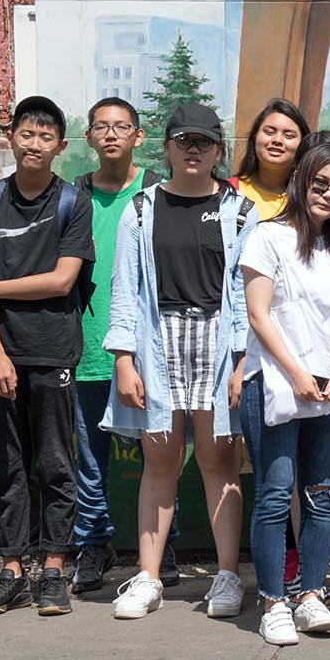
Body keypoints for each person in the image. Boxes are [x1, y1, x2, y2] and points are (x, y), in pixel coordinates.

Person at [104, 105, 259, 623]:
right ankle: (148, 578)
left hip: (218, 341)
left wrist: (241, 360)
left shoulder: (240, 211)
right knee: (160, 462)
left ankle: (228, 575)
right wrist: (124, 360)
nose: (194, 150)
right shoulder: (141, 209)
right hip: (157, 341)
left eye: (204, 142)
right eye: (183, 140)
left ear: (219, 150)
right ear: (166, 147)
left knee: (219, 463)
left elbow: (245, 291)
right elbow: (124, 288)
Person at [0, 95, 96, 617]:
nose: (34, 144)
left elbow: (63, 280)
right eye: (26, 134)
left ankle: (54, 569)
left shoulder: (70, 203)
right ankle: (12, 568)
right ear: (10, 138)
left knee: (57, 462)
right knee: (8, 465)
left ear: (60, 147)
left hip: (54, 348)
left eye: (46, 137)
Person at [239, 133, 330, 646]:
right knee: (274, 496)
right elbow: (258, 314)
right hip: (274, 383)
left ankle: (311, 594)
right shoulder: (267, 236)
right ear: (301, 180)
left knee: (319, 495)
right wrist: (296, 374)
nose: (329, 196)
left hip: (329, 389)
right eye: (320, 184)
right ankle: (273, 601)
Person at [67, 98, 154, 595]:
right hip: (86, 346)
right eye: (101, 126)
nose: (111, 134)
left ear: (138, 136)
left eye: (121, 127)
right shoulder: (73, 195)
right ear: (89, 138)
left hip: (146, 351)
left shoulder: (154, 194)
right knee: (90, 458)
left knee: (155, 455)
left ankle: (161, 546)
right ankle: (93, 544)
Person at [230, 98, 309, 220]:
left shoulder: (309, 199)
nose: (277, 140)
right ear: (255, 137)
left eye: (289, 135)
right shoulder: (230, 192)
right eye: (269, 132)